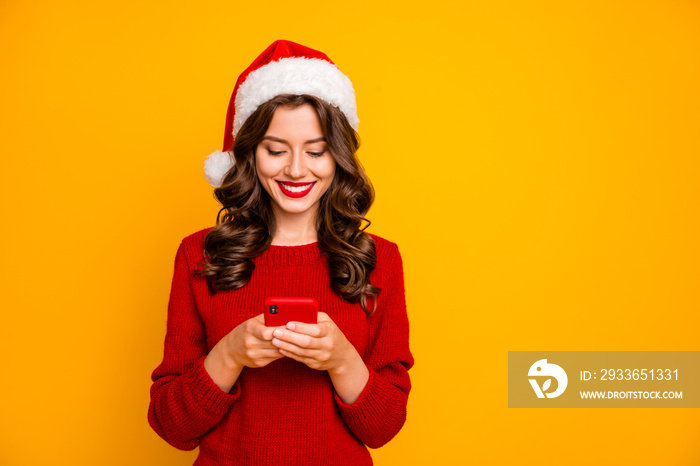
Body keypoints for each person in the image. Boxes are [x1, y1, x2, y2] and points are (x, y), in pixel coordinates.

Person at [148, 40, 413, 465]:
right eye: (275, 150)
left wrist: (341, 359)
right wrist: (231, 353)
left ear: (338, 155)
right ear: (249, 153)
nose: (294, 169)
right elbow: (171, 426)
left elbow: (383, 429)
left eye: (315, 150)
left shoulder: (379, 260)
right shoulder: (199, 255)